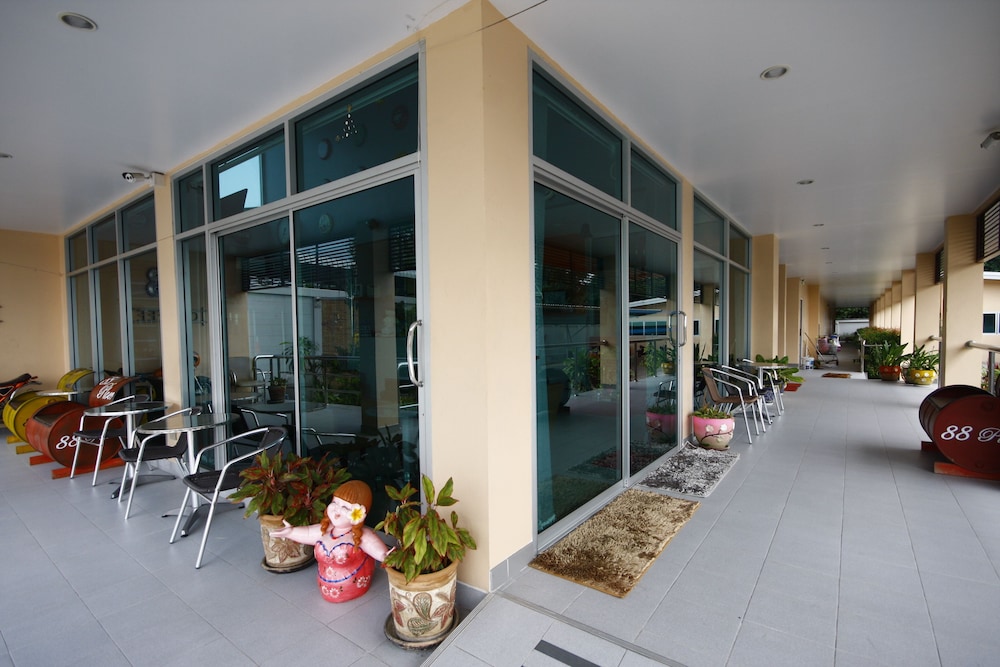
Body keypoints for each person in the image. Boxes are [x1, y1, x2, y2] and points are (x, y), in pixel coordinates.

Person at [270, 480, 389, 602]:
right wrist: (290, 532)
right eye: (335, 502)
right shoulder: (326, 529)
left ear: (359, 514)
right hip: (325, 584)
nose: (337, 509)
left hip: (353, 586)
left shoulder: (360, 535)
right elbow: (308, 533)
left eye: (345, 507)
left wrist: (385, 556)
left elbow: (374, 546)